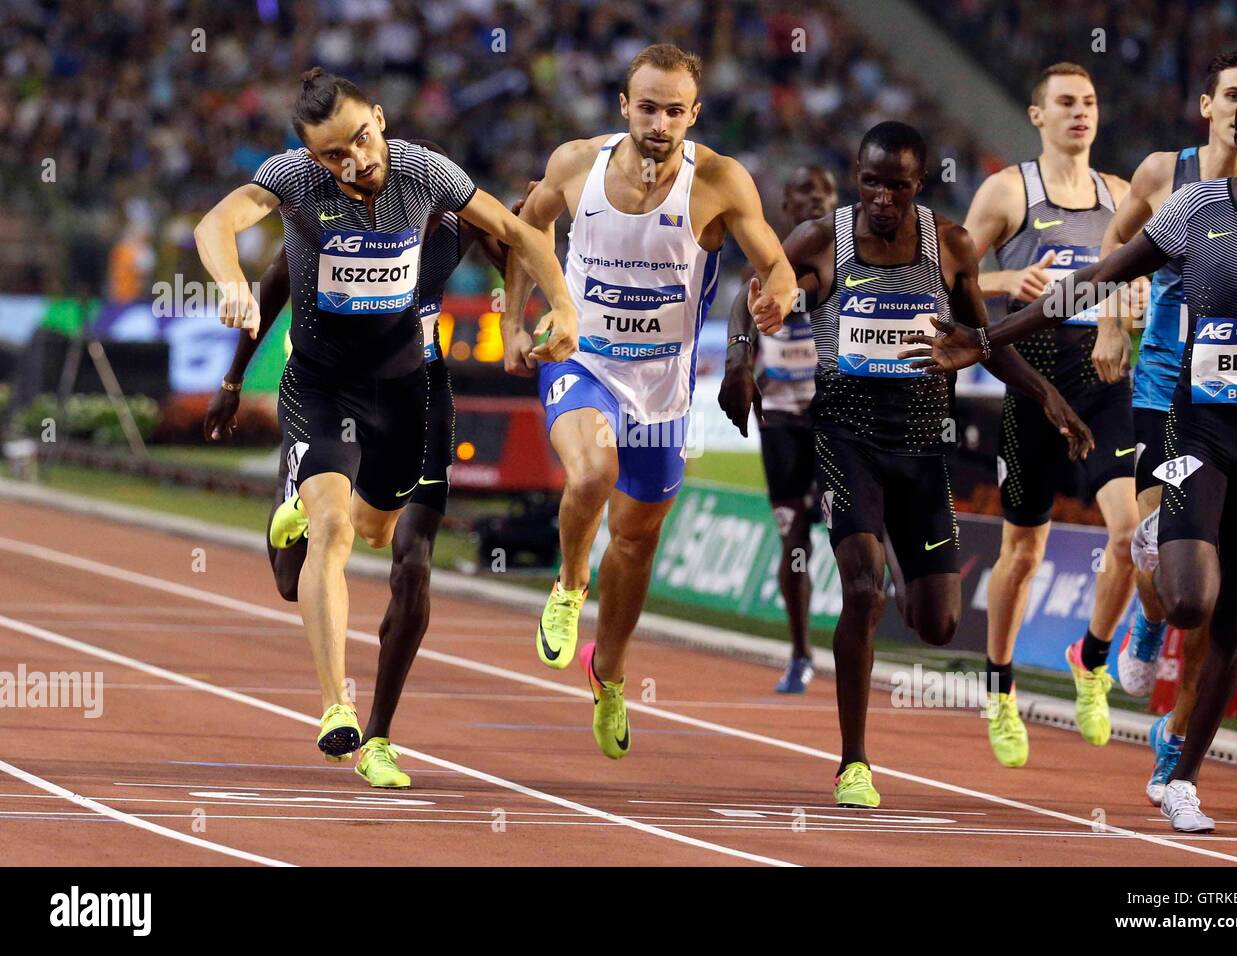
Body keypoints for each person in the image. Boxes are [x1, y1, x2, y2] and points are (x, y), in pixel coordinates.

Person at [904, 85, 1237, 833]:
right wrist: (990, 339)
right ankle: (1153, 544)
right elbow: (1093, 280)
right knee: (1189, 601)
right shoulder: (1196, 210)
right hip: (1198, 428)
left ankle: (1182, 777)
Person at [194, 68, 578, 763]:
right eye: (334, 154)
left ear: (379, 118)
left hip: (404, 391)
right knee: (338, 531)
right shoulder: (294, 179)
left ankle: (299, 513)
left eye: (362, 141)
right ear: (313, 157)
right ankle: (335, 705)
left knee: (375, 531)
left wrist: (562, 308)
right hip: (321, 383)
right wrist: (231, 289)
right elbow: (217, 222)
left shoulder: (427, 176)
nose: (354, 162)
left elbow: (521, 234)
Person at [775, 121, 1092, 807]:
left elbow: (985, 341)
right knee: (863, 588)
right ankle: (853, 763)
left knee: (939, 623)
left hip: (922, 448)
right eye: (870, 181)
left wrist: (1047, 396)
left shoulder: (950, 245)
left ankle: (894, 561)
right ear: (856, 176)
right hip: (846, 439)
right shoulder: (819, 241)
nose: (882, 198)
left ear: (919, 185)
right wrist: (747, 344)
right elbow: (761, 289)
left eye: (897, 184)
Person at [501, 44, 798, 759]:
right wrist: (516, 319)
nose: (659, 121)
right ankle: (570, 585)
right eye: (647, 106)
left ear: (693, 114)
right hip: (584, 362)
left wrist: (780, 295)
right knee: (592, 473)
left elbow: (776, 262)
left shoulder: (720, 181)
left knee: (635, 545)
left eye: (674, 110)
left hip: (663, 389)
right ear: (624, 106)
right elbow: (523, 228)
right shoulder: (577, 164)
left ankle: (610, 675)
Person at [1099, 49, 1237, 806]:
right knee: (1160, 568)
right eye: (1233, 96)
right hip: (1165, 388)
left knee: (1220, 577)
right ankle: (1144, 623)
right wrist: (1111, 319)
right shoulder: (1162, 174)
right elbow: (1114, 250)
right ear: (1207, 105)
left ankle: (1175, 727)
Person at [959, 63, 1138, 768]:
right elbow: (952, 272)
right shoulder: (1009, 190)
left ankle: (1090, 661)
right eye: (1065, 102)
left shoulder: (1121, 194)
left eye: (1089, 102)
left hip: (1099, 376)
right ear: (1037, 115)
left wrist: (1125, 313)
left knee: (1131, 536)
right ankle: (999, 690)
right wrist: (1007, 280)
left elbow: (1139, 271)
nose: (1079, 113)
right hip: (1031, 382)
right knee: (1023, 552)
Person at [718, 164, 838, 693]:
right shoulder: (770, 264)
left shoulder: (853, 261)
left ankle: (868, 644)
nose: (815, 200)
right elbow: (740, 315)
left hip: (839, 422)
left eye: (825, 192)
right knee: (794, 537)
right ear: (786, 206)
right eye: (803, 192)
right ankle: (800, 653)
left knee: (859, 534)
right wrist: (740, 366)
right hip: (785, 424)